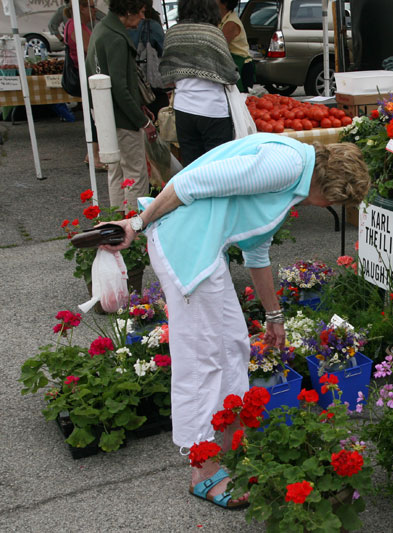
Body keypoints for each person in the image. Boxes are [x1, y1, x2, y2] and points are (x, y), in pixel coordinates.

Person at [104, 133, 371, 508]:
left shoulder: (292, 182)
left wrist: (274, 316)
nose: (329, 206)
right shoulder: (287, 165)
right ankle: (203, 471)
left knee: (233, 348)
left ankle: (228, 451)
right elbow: (189, 182)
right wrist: (138, 222)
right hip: (186, 246)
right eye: (337, 202)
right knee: (204, 362)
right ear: (330, 188)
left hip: (203, 247)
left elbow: (256, 252)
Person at [86, 0, 156, 212]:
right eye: (141, 12)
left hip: (105, 112)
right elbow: (120, 87)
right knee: (135, 174)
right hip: (121, 117)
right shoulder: (116, 38)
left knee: (116, 172)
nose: (144, 17)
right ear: (128, 10)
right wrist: (143, 121)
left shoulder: (102, 29)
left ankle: (117, 223)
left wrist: (138, 105)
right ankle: (135, 228)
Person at [159, 0, 240, 166]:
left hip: (183, 109)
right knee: (218, 166)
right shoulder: (213, 33)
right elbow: (230, 74)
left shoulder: (172, 34)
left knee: (191, 167)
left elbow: (166, 74)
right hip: (213, 109)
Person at [63, 0, 105, 171]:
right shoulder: (75, 26)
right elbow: (90, 48)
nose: (95, 11)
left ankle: (93, 154)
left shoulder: (73, 25)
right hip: (86, 75)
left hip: (85, 74)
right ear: (81, 8)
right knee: (94, 114)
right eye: (92, 7)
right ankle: (95, 155)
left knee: (93, 113)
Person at [128, 5, 169, 116]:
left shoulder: (122, 27)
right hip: (152, 82)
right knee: (161, 114)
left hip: (133, 81)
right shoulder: (152, 25)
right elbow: (164, 51)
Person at [217, 0, 254, 92]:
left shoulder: (231, 22)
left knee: (240, 99)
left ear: (224, 3)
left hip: (241, 66)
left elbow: (219, 45)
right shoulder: (223, 19)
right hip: (232, 65)